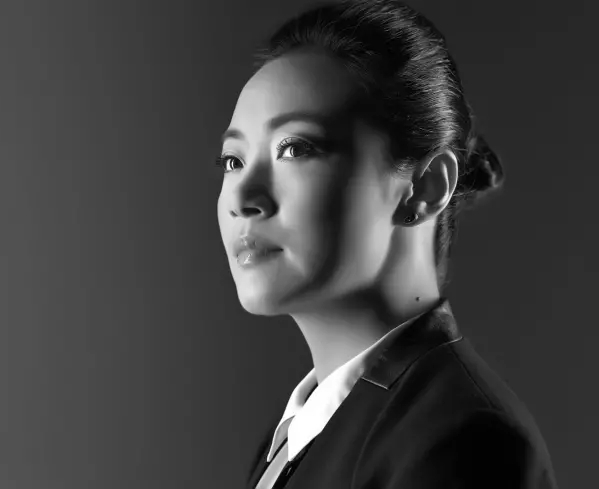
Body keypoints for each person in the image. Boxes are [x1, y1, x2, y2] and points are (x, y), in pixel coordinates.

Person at [214, 1, 559, 488]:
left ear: (427, 187)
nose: (243, 198)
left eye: (294, 149)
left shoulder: (463, 442)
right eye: (232, 161)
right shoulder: (300, 433)